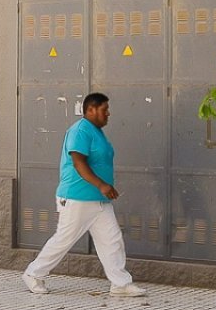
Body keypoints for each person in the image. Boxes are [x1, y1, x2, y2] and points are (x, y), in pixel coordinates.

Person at [21, 92, 147, 298]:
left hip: (98, 200)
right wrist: (102, 185)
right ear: (90, 110)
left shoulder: (97, 132)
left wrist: (103, 189)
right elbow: (78, 162)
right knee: (64, 239)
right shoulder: (80, 131)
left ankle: (120, 284)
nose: (108, 113)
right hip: (77, 198)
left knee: (112, 239)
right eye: (104, 109)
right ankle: (33, 274)